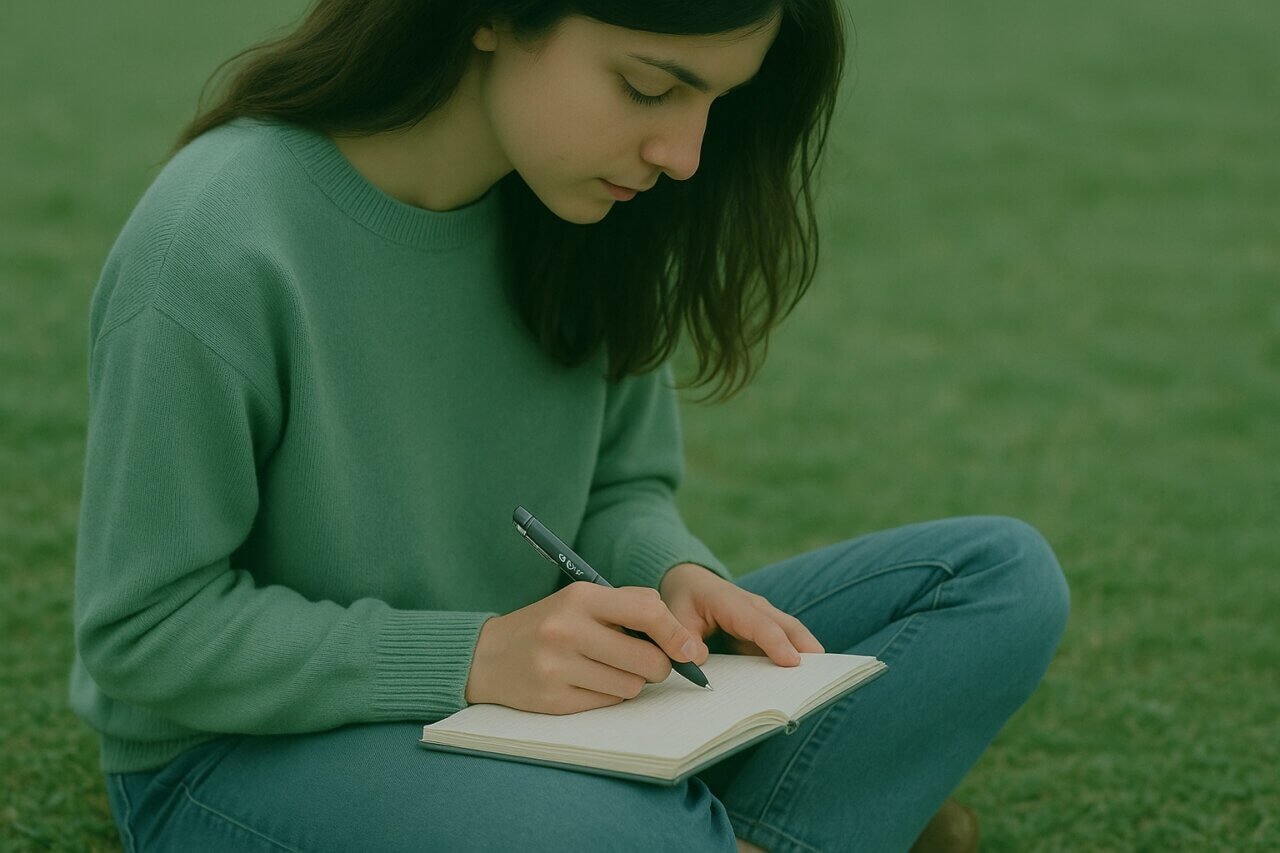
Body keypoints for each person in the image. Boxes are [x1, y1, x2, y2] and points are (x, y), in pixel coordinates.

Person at [70, 1, 1070, 850]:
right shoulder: (216, 238)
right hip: (245, 750)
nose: (684, 156)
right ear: (492, 15)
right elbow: (145, 629)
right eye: (649, 88)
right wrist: (471, 656)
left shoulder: (584, 208)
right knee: (619, 834)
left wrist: (670, 575)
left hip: (549, 703)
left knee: (998, 578)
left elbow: (620, 488)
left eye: (716, 103)